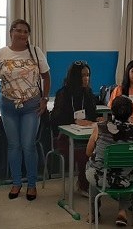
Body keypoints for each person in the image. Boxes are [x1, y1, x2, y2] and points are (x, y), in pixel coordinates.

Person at [0, 19, 51, 201]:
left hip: (32, 107)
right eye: (19, 31)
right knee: (14, 146)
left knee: (28, 145)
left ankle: (31, 185)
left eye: (26, 32)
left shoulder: (36, 52)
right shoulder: (1, 54)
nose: (22, 34)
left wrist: (45, 99)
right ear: (11, 32)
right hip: (8, 107)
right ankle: (16, 183)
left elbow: (47, 77)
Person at [85, 96, 133, 226]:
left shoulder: (99, 128)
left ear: (111, 111)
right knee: (128, 168)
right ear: (131, 112)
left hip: (100, 178)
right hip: (125, 180)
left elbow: (88, 152)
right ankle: (122, 211)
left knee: (93, 166)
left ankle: (93, 212)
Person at [50, 60, 97, 197]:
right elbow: (55, 119)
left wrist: (94, 120)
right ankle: (83, 185)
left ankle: (97, 182)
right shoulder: (63, 93)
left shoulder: (88, 94)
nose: (86, 78)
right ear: (75, 77)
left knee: (99, 149)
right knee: (85, 153)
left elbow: (92, 115)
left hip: (86, 136)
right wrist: (74, 120)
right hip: (64, 138)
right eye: (83, 75)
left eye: (88, 75)